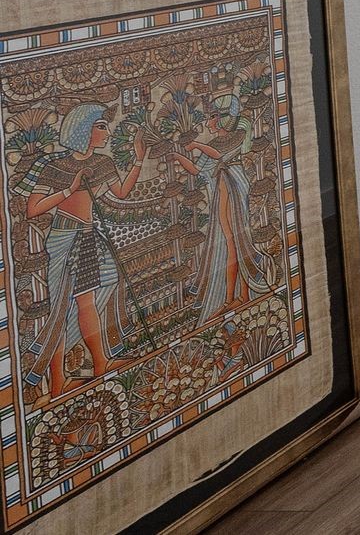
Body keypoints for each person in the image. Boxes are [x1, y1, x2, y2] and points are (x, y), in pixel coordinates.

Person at [19, 103, 144, 400]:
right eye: (101, 126)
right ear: (82, 130)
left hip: (87, 236)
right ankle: (58, 382)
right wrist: (69, 189)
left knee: (88, 300)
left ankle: (101, 363)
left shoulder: (103, 163)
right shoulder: (55, 167)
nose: (106, 132)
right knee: (60, 309)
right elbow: (33, 209)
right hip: (63, 239)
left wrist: (139, 160)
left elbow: (121, 192)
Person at [162, 92, 276, 322]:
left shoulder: (236, 136)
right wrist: (178, 156)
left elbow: (217, 153)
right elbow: (196, 170)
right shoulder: (214, 143)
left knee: (237, 241)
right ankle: (234, 297)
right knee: (228, 242)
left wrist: (196, 144)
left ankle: (240, 296)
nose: (209, 121)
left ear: (223, 118)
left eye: (212, 116)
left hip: (235, 186)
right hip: (222, 190)